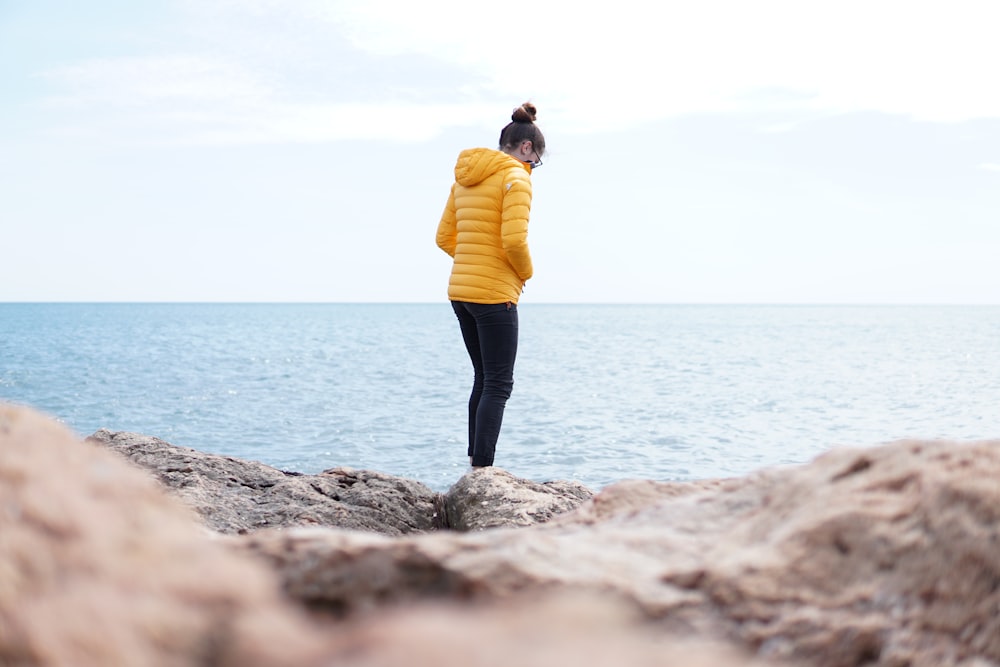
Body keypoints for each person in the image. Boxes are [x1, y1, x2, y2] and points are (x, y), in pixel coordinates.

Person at [435, 102, 546, 468]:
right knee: (499, 384)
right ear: (526, 149)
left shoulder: (465, 178)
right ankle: (483, 469)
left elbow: (444, 238)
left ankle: (474, 462)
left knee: (483, 377)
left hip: (460, 292)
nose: (534, 169)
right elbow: (514, 242)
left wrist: (473, 262)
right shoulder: (517, 177)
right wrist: (523, 274)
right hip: (494, 294)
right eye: (536, 161)